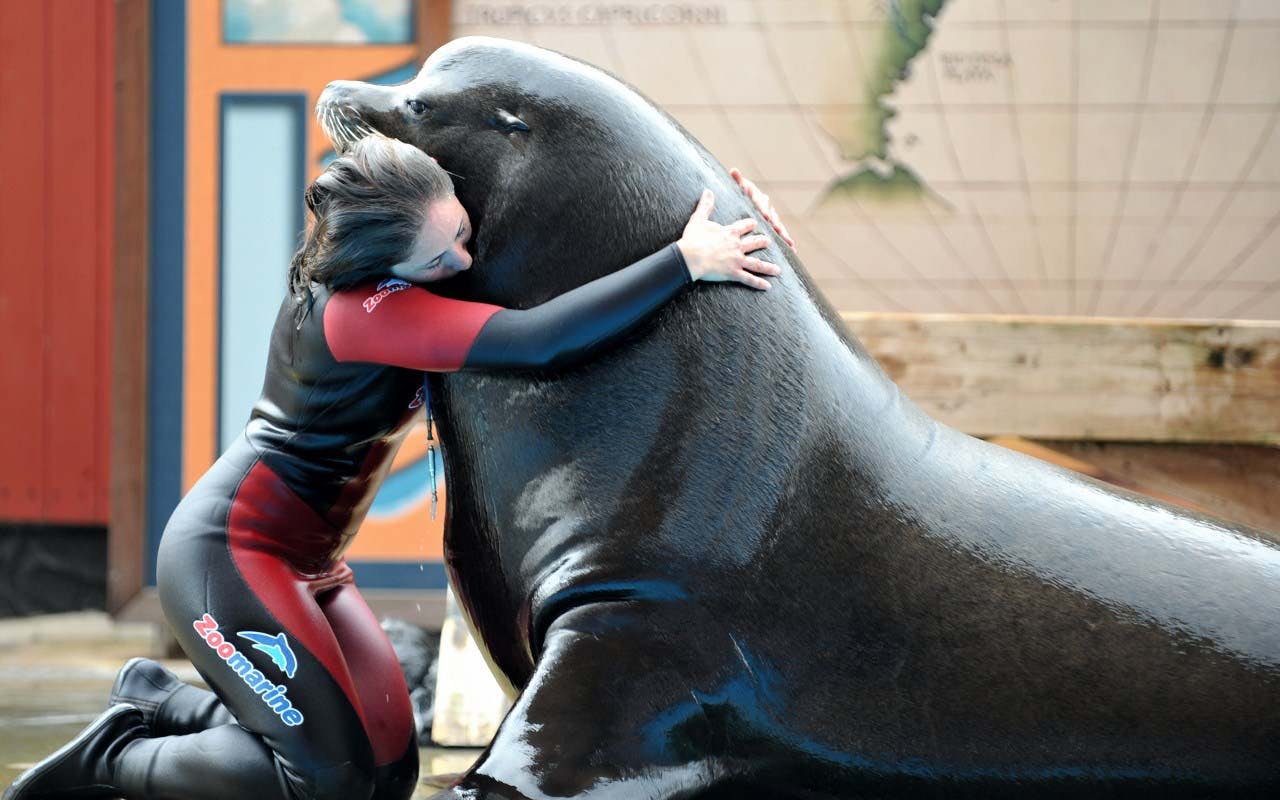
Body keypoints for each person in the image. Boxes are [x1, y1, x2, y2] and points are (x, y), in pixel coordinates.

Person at [5, 134, 791, 800]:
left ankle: (160, 700)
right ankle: (115, 756)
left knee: (388, 767)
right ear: (386, 264)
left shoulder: (404, 249)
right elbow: (538, 341)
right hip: (231, 558)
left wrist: (718, 200)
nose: (464, 254)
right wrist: (685, 261)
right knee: (329, 780)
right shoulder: (362, 314)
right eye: (440, 251)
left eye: (459, 226)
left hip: (311, 563)